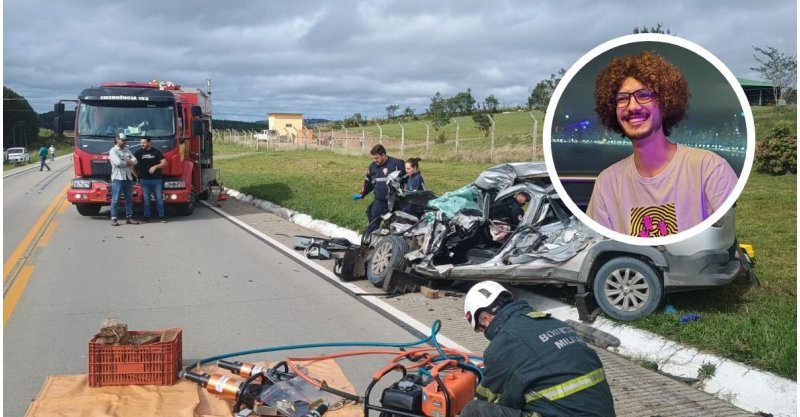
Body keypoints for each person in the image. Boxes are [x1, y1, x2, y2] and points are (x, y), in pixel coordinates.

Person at [586, 51, 738, 238]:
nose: (632, 107)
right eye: (622, 98)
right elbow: (596, 244)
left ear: (665, 103)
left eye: (644, 95)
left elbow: (725, 242)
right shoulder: (607, 183)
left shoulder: (710, 169)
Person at [460, 281, 615, 417]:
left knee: (474, 410)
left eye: (482, 329)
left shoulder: (501, 346)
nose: (486, 334)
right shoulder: (554, 322)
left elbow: (489, 398)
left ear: (486, 319)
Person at [352, 144, 404, 238]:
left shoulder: (396, 164)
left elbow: (408, 177)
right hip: (380, 201)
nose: (375, 160)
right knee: (373, 220)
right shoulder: (372, 167)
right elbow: (368, 182)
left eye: (377, 158)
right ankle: (371, 240)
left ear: (383, 155)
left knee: (396, 225)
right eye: (374, 158)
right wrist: (363, 194)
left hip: (395, 201)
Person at [134, 137, 168, 223]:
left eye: (144, 143)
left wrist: (155, 166)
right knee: (146, 199)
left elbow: (165, 163)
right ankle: (147, 217)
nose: (142, 144)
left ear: (149, 143)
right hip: (144, 180)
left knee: (159, 198)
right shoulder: (138, 153)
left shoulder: (156, 152)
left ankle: (162, 216)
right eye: (141, 142)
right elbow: (132, 164)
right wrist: (136, 175)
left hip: (157, 179)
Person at [109, 133, 139, 226]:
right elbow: (118, 163)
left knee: (129, 199)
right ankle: (114, 218)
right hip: (118, 178)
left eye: (125, 140)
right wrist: (128, 162)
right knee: (115, 199)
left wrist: (126, 161)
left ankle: (129, 218)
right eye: (122, 140)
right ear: (117, 140)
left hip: (128, 177)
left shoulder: (127, 150)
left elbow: (135, 161)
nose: (124, 142)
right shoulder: (113, 151)